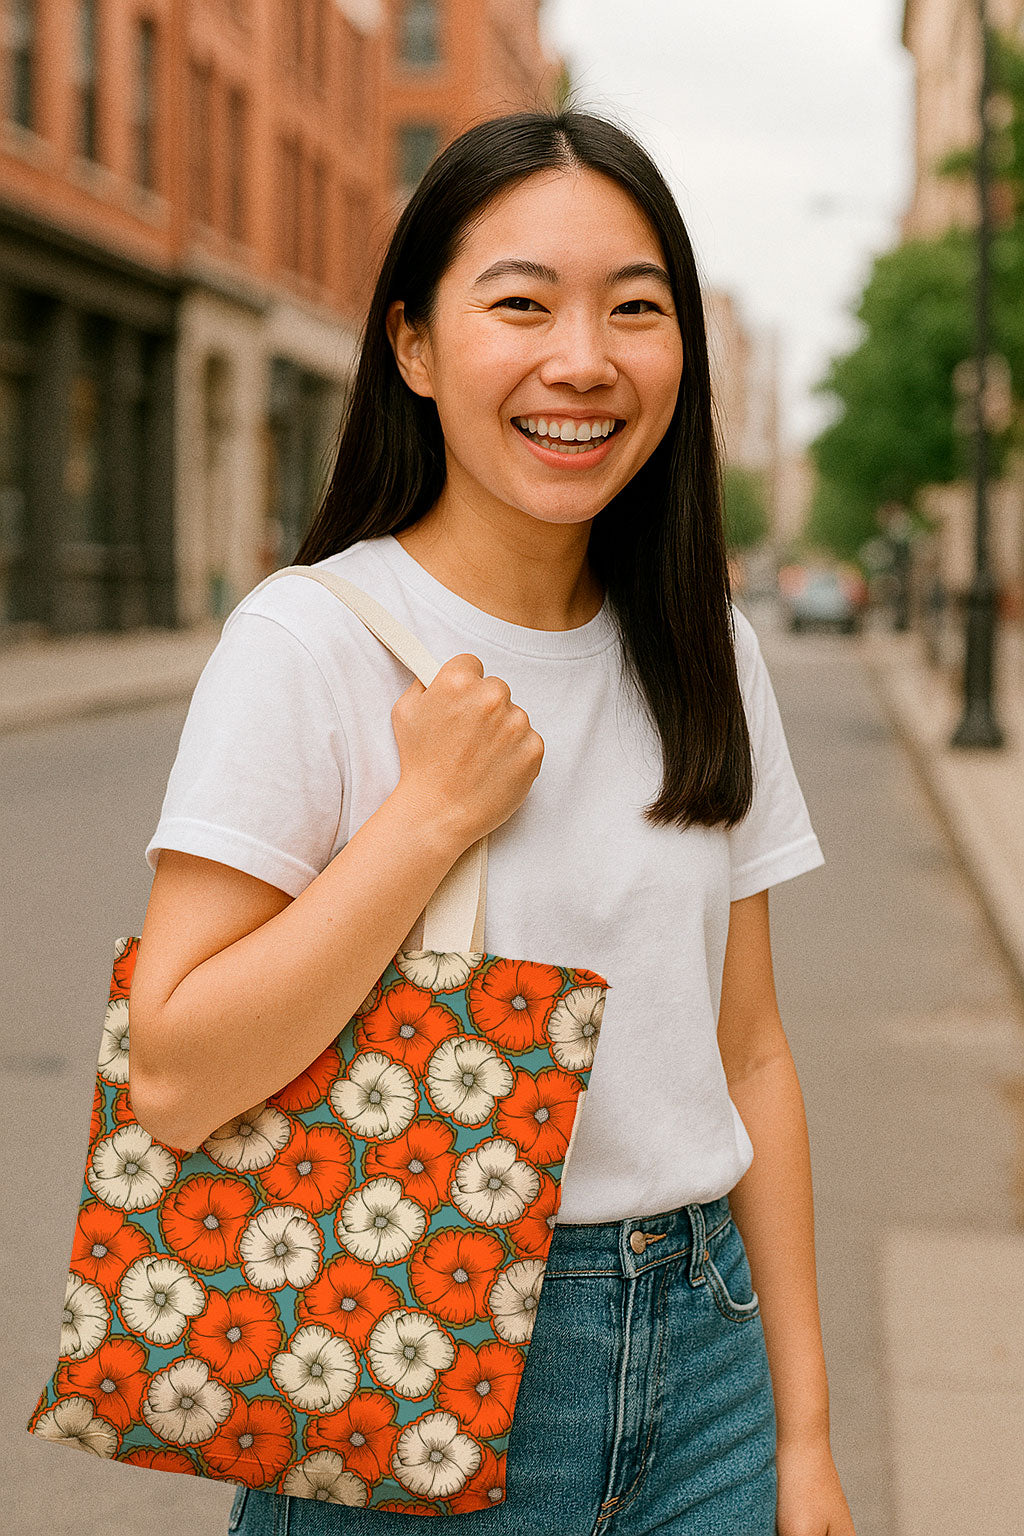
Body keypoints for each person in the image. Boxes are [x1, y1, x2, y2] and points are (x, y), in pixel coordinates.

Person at [128, 107, 855, 1536]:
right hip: (414, 1337)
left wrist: (806, 1434)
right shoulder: (310, 641)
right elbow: (174, 1071)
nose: (581, 360)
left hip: (705, 1360)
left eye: (634, 311)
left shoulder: (704, 642)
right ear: (413, 346)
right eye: (520, 303)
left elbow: (750, 1048)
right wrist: (424, 821)